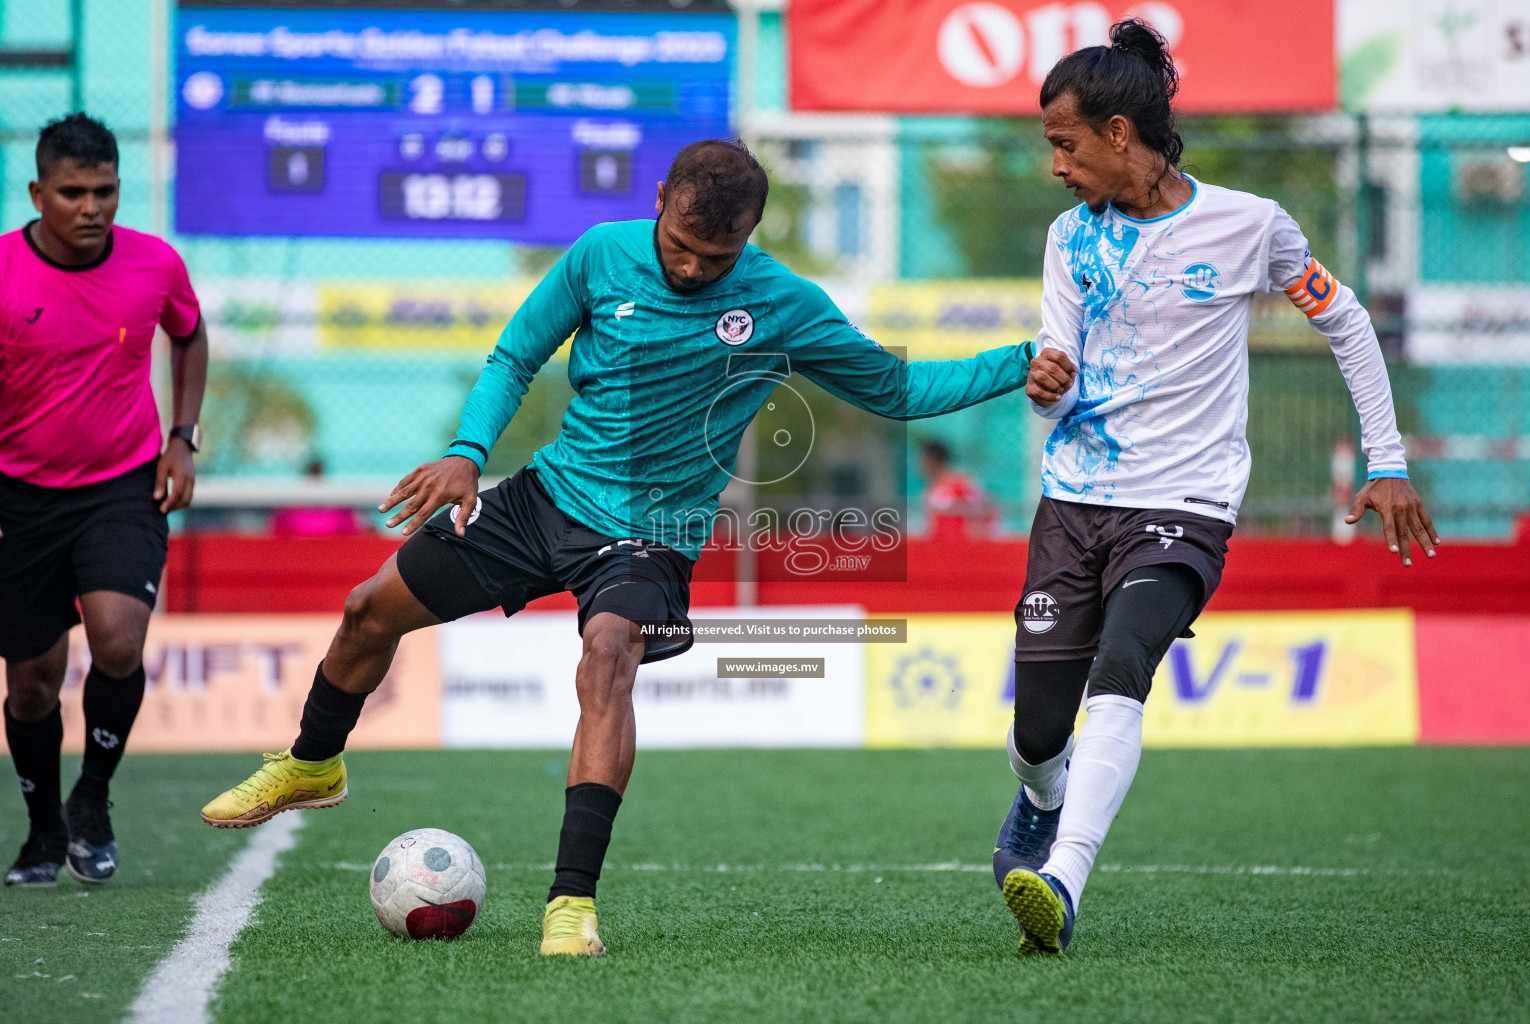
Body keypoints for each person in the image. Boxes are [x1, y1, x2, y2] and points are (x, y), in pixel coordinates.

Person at [199, 139, 1034, 955]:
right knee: (367, 610)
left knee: (607, 656)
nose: (693, 270)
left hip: (650, 537)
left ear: (749, 235)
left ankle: (570, 904)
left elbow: (899, 388)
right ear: (660, 200)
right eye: (680, 246)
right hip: (547, 497)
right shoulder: (600, 256)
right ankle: (313, 763)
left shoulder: (785, 303)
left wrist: (1023, 360)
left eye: (718, 256)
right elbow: (516, 354)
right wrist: (468, 451)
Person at [992, 21, 1439, 955]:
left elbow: (1349, 323)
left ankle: (1064, 880)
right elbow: (1059, 363)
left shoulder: (1251, 225)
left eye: (1064, 145)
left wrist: (1387, 459)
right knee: (1038, 733)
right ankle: (1041, 797)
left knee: (1123, 669)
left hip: (1184, 503)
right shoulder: (1069, 238)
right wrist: (1047, 382)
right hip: (1075, 500)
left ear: (1119, 135)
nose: (1056, 167)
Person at [0, 114, 207, 886]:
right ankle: (45, 832)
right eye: (73, 192)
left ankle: (92, 799)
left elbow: (189, 332)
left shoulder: (155, 265)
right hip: (18, 495)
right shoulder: (4, 273)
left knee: (118, 640)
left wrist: (182, 435)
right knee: (31, 685)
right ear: (37, 192)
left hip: (122, 484)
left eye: (106, 191)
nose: (91, 207)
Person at [918, 439, 997, 541]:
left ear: (932, 460)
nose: (919, 465)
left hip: (960, 544)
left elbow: (986, 510)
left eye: (922, 460)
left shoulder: (960, 484)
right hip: (939, 543)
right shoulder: (931, 486)